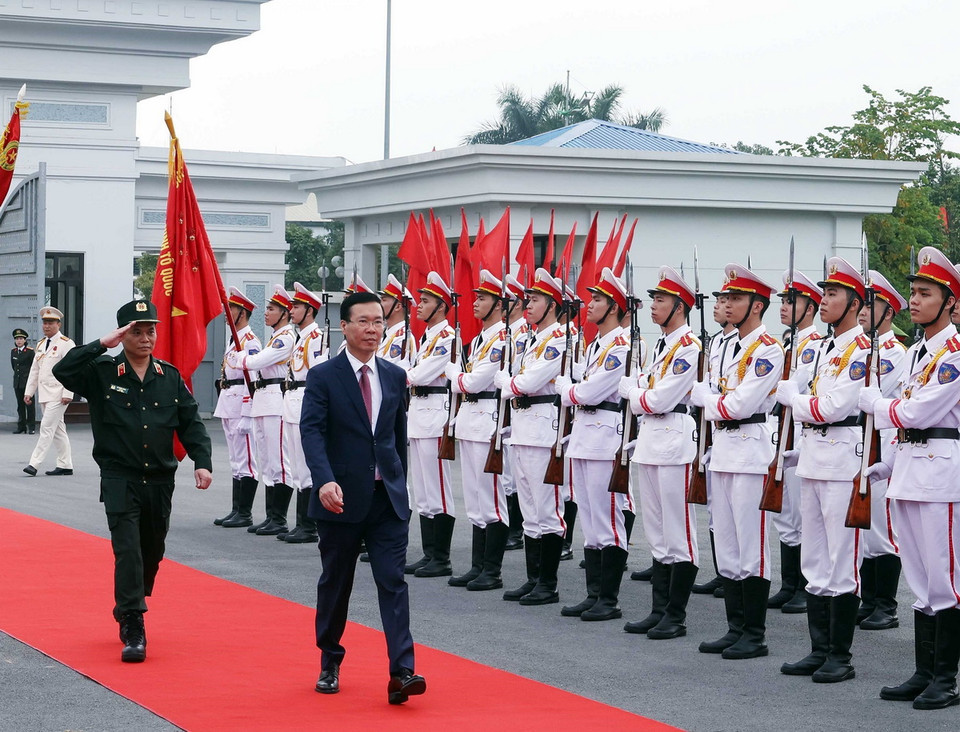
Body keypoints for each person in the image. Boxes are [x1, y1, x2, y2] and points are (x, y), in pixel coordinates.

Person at [52, 299, 212, 663]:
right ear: (122, 335)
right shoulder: (102, 372)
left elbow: (191, 423)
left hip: (159, 479)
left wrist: (202, 461)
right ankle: (133, 622)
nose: (145, 337)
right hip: (119, 477)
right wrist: (99, 345)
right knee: (127, 550)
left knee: (151, 551)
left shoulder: (169, 376)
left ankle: (130, 600)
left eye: (150, 330)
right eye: (136, 331)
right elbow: (63, 371)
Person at [300, 290, 426, 705]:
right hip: (340, 498)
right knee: (337, 584)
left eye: (379, 322)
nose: (373, 330)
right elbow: (312, 431)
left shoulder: (393, 374)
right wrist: (323, 480)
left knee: (393, 581)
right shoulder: (324, 375)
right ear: (345, 326)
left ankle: (402, 671)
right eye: (365, 322)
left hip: (386, 499)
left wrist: (400, 485)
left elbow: (395, 437)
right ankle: (330, 660)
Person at [859, 246, 960, 710]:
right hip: (913, 470)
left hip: (942, 475)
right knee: (920, 580)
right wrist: (891, 462)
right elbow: (908, 422)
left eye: (925, 293)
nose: (914, 301)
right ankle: (924, 670)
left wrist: (877, 405)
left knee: (945, 577)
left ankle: (947, 677)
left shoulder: (954, 353)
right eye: (914, 292)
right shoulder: (919, 350)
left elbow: (921, 411)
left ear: (950, 302)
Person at [776, 257, 868, 683]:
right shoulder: (816, 347)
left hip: (841, 463)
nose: (823, 299)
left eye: (832, 294)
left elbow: (832, 406)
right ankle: (819, 648)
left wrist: (796, 400)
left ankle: (840, 656)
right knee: (813, 559)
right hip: (812, 460)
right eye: (824, 292)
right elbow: (805, 400)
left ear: (853, 303)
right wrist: (801, 403)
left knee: (840, 560)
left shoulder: (861, 350)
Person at [690, 263, 783, 660]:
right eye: (724, 298)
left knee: (751, 546)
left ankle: (755, 634)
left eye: (736, 299)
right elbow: (717, 396)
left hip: (750, 450)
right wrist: (714, 402)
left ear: (757, 306)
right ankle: (735, 627)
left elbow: (739, 403)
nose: (727, 304)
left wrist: (708, 401)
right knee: (726, 544)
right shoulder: (725, 346)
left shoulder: (768, 350)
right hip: (723, 451)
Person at [621, 266, 700, 637]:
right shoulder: (662, 345)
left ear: (680, 307)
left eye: (661, 300)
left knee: (678, 531)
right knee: (656, 530)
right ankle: (659, 608)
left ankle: (676, 614)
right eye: (653, 299)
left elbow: (659, 397)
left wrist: (635, 395)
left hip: (673, 439)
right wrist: (641, 395)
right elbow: (647, 389)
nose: (653, 306)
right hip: (651, 442)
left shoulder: (689, 347)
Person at [556, 267, 631, 621]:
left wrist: (565, 391)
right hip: (586, 435)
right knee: (589, 516)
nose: (589, 305)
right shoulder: (595, 344)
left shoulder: (620, 345)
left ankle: (609, 599)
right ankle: (594, 593)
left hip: (604, 435)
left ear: (614, 306)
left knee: (608, 518)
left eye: (598, 300)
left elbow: (588, 391)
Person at [493, 267, 568, 606]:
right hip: (523, 429)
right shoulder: (531, 338)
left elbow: (525, 382)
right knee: (528, 507)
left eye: (535, 300)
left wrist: (506, 385)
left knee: (547, 507)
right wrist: (510, 384)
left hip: (542, 429)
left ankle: (548, 583)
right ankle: (533, 577)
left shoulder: (559, 339)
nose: (528, 305)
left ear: (552, 304)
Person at [444, 269, 510, 591]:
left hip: (487, 422)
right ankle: (477, 565)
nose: (475, 303)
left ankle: (492, 570)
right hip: (471, 421)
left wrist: (454, 373)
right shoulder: (482, 339)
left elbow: (473, 381)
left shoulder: (501, 340)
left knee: (490, 497)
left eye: (482, 298)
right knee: (473, 497)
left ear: (498, 305)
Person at [769, 271, 823, 615]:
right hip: (783, 430)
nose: (785, 307)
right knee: (786, 513)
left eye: (792, 301)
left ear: (810, 306)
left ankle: (804, 585)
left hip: (803, 432)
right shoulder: (789, 343)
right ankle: (789, 584)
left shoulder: (814, 344)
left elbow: (797, 384)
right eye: (783, 301)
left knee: (803, 514)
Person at [855, 270, 907, 630]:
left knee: (881, 528)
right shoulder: (856, 349)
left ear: (888, 313)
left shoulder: (895, 353)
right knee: (863, 527)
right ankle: (869, 599)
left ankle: (886, 605)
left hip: (884, 438)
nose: (862, 310)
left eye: (871, 305)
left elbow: (878, 397)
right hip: (859, 438)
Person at [226, 285, 296, 536]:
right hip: (264, 398)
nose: (266, 313)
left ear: (285, 313)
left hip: (276, 399)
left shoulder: (286, 337)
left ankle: (279, 518)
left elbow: (256, 361)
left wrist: (240, 359)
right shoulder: (276, 336)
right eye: (267, 308)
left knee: (279, 461)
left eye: (272, 309)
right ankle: (270, 517)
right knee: (267, 462)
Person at [404, 272, 457, 578]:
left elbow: (420, 375)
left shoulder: (447, 338)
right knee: (423, 491)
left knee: (438, 488)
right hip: (420, 415)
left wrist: (396, 375)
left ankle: (442, 557)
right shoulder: (428, 338)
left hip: (436, 416)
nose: (418, 306)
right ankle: (429, 553)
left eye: (425, 302)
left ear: (440, 306)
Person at [689, 295, 736, 596]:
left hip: (738, 430)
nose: (718, 306)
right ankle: (723, 572)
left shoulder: (756, 347)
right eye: (717, 301)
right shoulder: (716, 343)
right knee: (715, 511)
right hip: (715, 431)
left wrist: (705, 399)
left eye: (726, 301)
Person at [280, 282, 327, 544]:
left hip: (304, 401)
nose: (292, 310)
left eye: (296, 306)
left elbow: (317, 374)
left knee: (307, 466)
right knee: (297, 466)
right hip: (292, 401)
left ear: (309, 310)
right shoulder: (301, 339)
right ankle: (301, 522)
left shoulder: (316, 338)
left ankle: (309, 525)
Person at [212, 287, 261, 529]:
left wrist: (247, 413)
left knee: (246, 460)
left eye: (231, 308)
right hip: (228, 401)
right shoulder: (235, 340)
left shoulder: (250, 342)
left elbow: (251, 381)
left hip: (240, 403)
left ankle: (245, 512)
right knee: (235, 459)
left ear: (242, 312)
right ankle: (236, 510)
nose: (226, 312)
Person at [23, 307, 75, 476]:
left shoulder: (66, 343)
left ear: (58, 324)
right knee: (58, 430)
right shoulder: (40, 344)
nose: (46, 326)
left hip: (59, 393)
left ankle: (34, 464)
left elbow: (72, 370)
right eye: (45, 323)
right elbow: (35, 370)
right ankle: (65, 464)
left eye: (51, 323)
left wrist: (68, 393)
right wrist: (29, 392)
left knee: (46, 427)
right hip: (45, 393)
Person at [378, 274, 416, 369]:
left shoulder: (402, 337)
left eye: (384, 300)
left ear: (398, 307)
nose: (379, 304)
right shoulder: (387, 334)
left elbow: (385, 369)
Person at [11, 328, 35, 434]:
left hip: (28, 382)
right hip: (17, 382)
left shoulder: (30, 352)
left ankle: (31, 427)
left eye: (21, 339)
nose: (19, 341)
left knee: (29, 405)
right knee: (20, 405)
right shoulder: (14, 352)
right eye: (17, 339)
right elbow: (14, 367)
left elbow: (34, 367)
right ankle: (21, 426)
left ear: (25, 340)